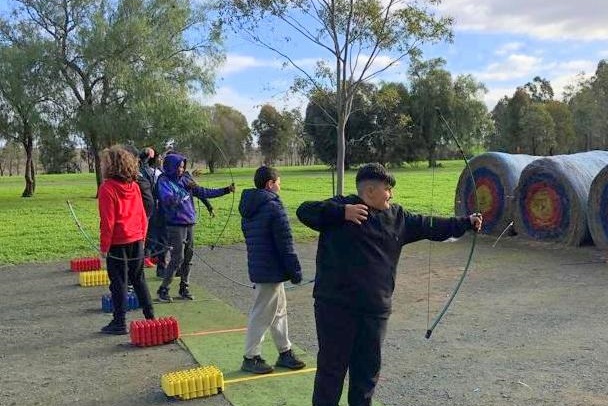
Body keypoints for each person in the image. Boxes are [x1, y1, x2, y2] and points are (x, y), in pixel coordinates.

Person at [296, 163, 482, 406]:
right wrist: (342, 213)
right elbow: (304, 211)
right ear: (370, 191)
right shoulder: (342, 208)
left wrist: (466, 221)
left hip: (375, 312)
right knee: (331, 371)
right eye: (387, 189)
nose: (391, 194)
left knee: (366, 375)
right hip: (335, 309)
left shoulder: (398, 217)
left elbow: (431, 225)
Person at [239, 166, 306, 374]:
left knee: (279, 311)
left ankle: (284, 352)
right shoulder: (274, 207)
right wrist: (295, 271)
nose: (280, 185)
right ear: (270, 184)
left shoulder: (249, 207)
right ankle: (251, 357)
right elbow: (285, 243)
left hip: (262, 267)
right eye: (278, 181)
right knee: (262, 313)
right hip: (270, 270)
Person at [155, 151, 235, 302]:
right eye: (179, 167)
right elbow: (167, 200)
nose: (181, 170)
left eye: (183, 166)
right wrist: (185, 191)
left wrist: (226, 190)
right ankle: (163, 290)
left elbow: (203, 192)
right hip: (175, 224)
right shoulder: (163, 180)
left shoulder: (186, 178)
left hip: (189, 222)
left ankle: (184, 288)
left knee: (188, 258)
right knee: (177, 257)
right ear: (171, 166)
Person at [98, 145, 155, 335]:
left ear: (111, 166)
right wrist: (142, 239)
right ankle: (151, 318)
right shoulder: (135, 186)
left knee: (119, 283)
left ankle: (119, 322)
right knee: (139, 280)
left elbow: (108, 222)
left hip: (117, 243)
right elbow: (142, 216)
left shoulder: (107, 189)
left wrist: (104, 247)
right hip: (137, 241)